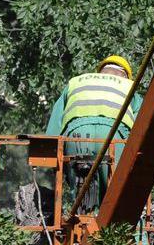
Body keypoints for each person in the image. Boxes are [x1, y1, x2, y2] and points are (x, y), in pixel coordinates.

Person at [44, 55, 144, 212]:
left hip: (77, 136)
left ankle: (84, 225)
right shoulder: (129, 86)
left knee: (83, 200)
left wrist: (52, 158)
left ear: (101, 71)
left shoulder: (76, 81)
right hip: (114, 137)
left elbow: (54, 127)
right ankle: (130, 234)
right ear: (124, 75)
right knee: (119, 199)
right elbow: (141, 129)